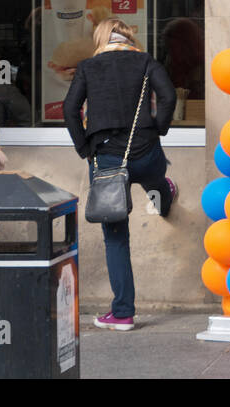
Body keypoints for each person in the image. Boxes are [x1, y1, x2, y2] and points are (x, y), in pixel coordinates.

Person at [62, 17, 177, 331]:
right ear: (128, 37)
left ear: (101, 39)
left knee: (116, 239)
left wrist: (84, 147)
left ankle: (123, 313)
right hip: (146, 151)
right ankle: (164, 197)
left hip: (108, 159)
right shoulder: (145, 61)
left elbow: (69, 109)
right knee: (157, 180)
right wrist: (159, 129)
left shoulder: (88, 66)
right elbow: (168, 96)